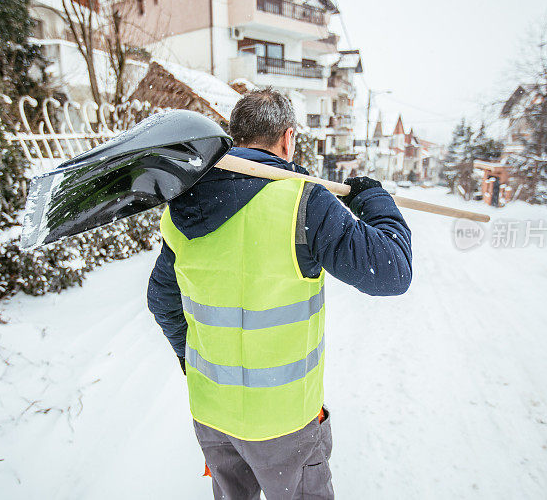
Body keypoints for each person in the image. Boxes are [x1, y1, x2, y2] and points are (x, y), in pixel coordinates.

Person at [147, 88, 412, 499]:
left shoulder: (184, 207)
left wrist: (190, 359)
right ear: (288, 138)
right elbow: (393, 270)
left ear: (236, 137)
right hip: (284, 423)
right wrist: (374, 198)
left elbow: (162, 298)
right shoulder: (304, 204)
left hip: (212, 415)